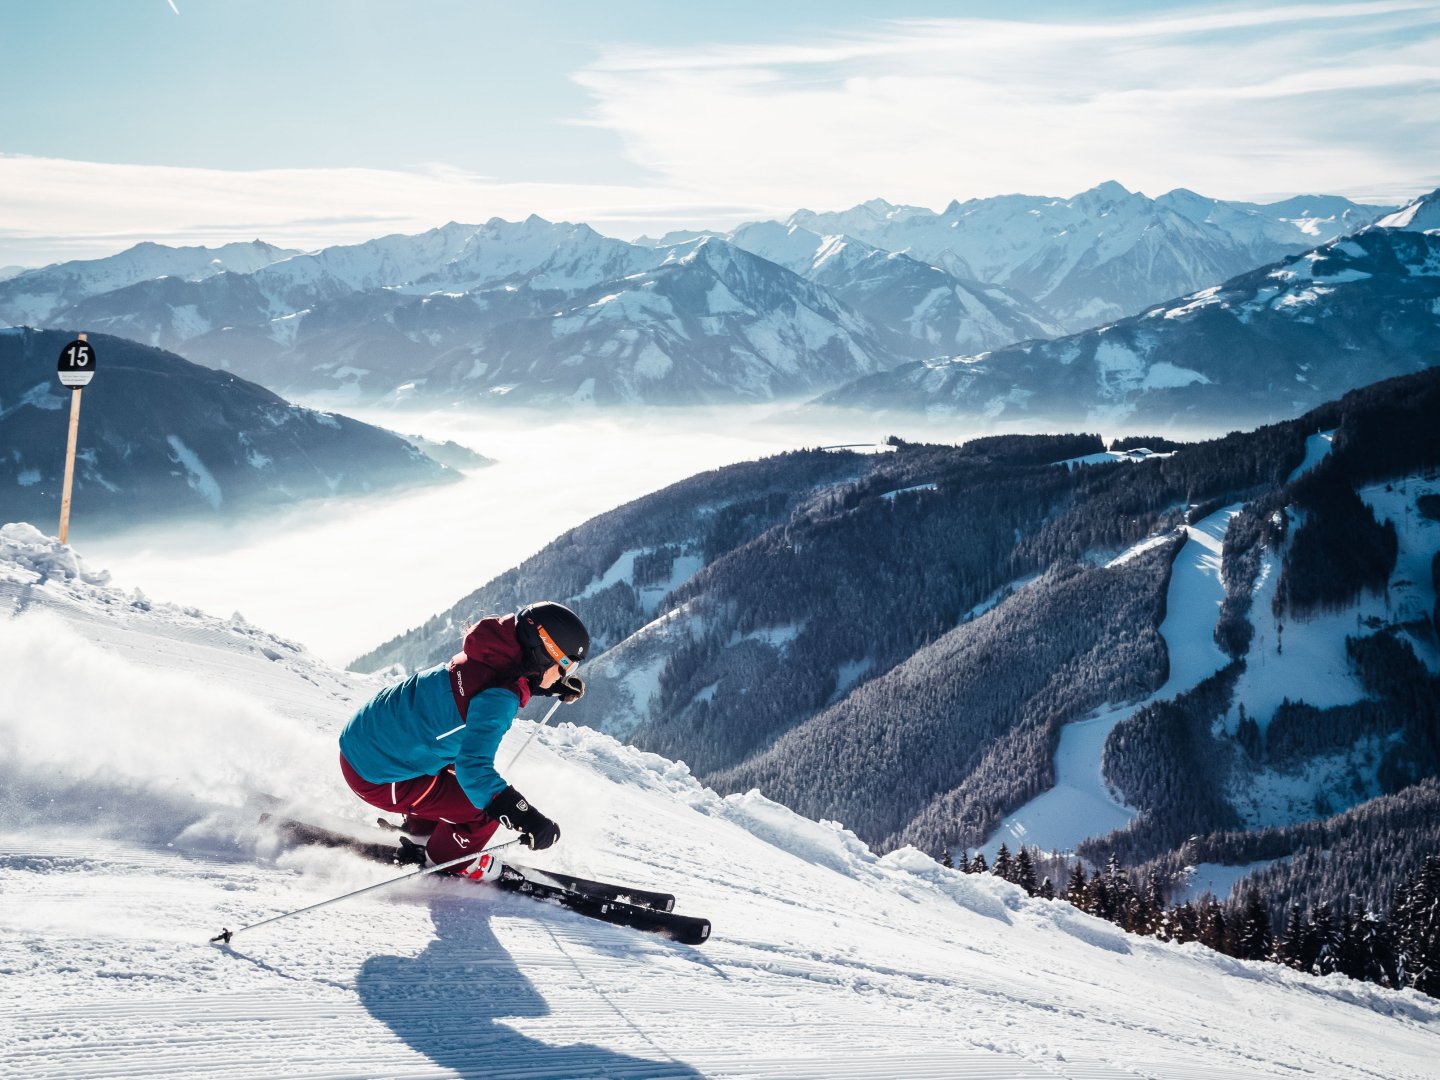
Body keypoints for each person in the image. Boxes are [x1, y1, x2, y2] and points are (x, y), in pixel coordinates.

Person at [338, 601, 589, 875]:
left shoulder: (489, 651)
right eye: (565, 665)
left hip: (364, 741)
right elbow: (475, 769)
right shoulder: (499, 699)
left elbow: (495, 681)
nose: (565, 674)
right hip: (377, 776)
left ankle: (422, 829)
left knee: (456, 764)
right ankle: (445, 862)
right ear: (544, 653)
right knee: (482, 811)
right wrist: (526, 817)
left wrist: (548, 686)